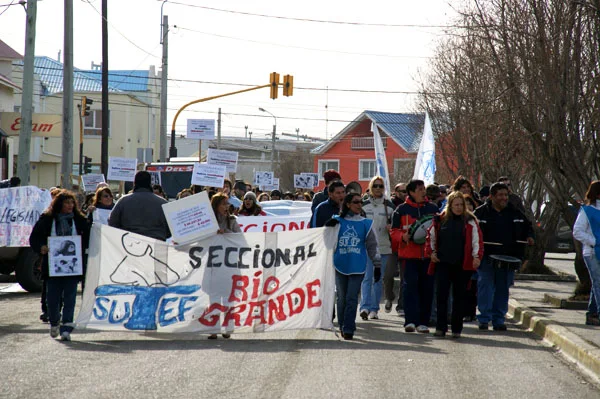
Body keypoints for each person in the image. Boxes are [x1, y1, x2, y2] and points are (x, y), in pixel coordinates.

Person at [29, 190, 90, 341]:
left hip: (73, 267)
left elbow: (90, 235)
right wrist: (41, 247)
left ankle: (67, 328)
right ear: (59, 204)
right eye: (66, 203)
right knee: (52, 298)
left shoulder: (79, 220)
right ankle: (55, 321)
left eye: (72, 203)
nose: (70, 205)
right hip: (52, 266)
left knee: (70, 297)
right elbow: (34, 237)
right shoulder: (47, 219)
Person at [474, 182, 534, 331]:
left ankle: (498, 320)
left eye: (506, 195)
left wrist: (530, 237)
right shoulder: (480, 213)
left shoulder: (515, 213)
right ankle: (484, 319)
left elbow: (528, 228)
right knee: (485, 288)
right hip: (486, 258)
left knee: (502, 289)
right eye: (500, 195)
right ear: (492, 196)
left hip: (508, 258)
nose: (504, 198)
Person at [326, 192, 381, 340]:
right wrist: (327, 228)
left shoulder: (366, 223)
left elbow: (372, 246)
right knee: (341, 298)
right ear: (348, 204)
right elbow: (327, 242)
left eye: (360, 202)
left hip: (358, 266)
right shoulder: (336, 221)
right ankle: (343, 324)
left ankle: (348, 327)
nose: (359, 205)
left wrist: (377, 266)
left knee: (351, 298)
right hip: (340, 265)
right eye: (356, 202)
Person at [427, 191, 483, 338]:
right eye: (456, 204)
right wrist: (432, 253)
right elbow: (431, 238)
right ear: (450, 205)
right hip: (443, 263)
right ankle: (441, 327)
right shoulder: (440, 220)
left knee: (459, 297)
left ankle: (457, 328)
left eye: (461, 205)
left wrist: (476, 257)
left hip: (462, 265)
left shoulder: (470, 221)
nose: (458, 207)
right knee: (441, 296)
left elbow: (477, 241)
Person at [390, 179, 439, 333]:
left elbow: (439, 229)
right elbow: (393, 231)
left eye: (424, 188)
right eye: (419, 189)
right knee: (409, 288)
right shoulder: (401, 209)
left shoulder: (432, 208)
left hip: (427, 256)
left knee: (427, 288)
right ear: (411, 192)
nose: (423, 191)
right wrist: (402, 237)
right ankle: (410, 321)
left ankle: (423, 322)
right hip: (408, 256)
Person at [360, 176, 396, 320]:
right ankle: (364, 307)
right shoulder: (363, 205)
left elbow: (396, 227)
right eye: (375, 186)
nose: (378, 189)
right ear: (370, 187)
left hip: (384, 247)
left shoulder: (390, 206)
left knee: (377, 279)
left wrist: (391, 228)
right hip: (367, 247)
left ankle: (374, 309)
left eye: (380, 186)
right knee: (366, 278)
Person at [109, 171, 171, 241]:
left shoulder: (123, 201)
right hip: (157, 243)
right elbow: (171, 229)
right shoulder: (163, 203)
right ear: (150, 183)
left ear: (134, 183)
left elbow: (112, 224)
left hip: (129, 245)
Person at [573, 180, 600, 326]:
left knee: (598, 283)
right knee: (598, 282)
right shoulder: (587, 211)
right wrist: (594, 241)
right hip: (592, 252)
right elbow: (577, 231)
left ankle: (592, 313)